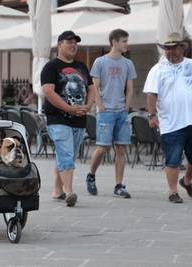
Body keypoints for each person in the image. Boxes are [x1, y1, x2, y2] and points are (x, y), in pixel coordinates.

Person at [143, 32, 192, 204]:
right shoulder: (157, 69)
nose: (170, 51)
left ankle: (186, 181)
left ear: (182, 48)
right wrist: (152, 115)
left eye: (173, 48)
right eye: (167, 48)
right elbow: (151, 94)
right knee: (173, 158)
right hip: (171, 122)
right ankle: (173, 192)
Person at [41, 30, 95, 207]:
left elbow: (91, 88)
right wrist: (69, 109)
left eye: (75, 42)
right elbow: (48, 92)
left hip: (79, 118)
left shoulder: (82, 66)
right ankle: (70, 192)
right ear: (59, 45)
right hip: (58, 118)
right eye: (68, 42)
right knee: (66, 153)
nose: (73, 45)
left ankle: (57, 191)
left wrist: (88, 106)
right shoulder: (51, 67)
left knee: (67, 155)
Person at [85, 29, 137, 198]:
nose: (126, 44)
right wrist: (101, 107)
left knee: (121, 148)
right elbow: (95, 87)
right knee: (102, 147)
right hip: (105, 111)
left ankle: (119, 185)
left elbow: (130, 88)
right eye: (124, 41)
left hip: (121, 111)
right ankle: (91, 175)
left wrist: (126, 108)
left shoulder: (128, 63)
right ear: (114, 42)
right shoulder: (100, 62)